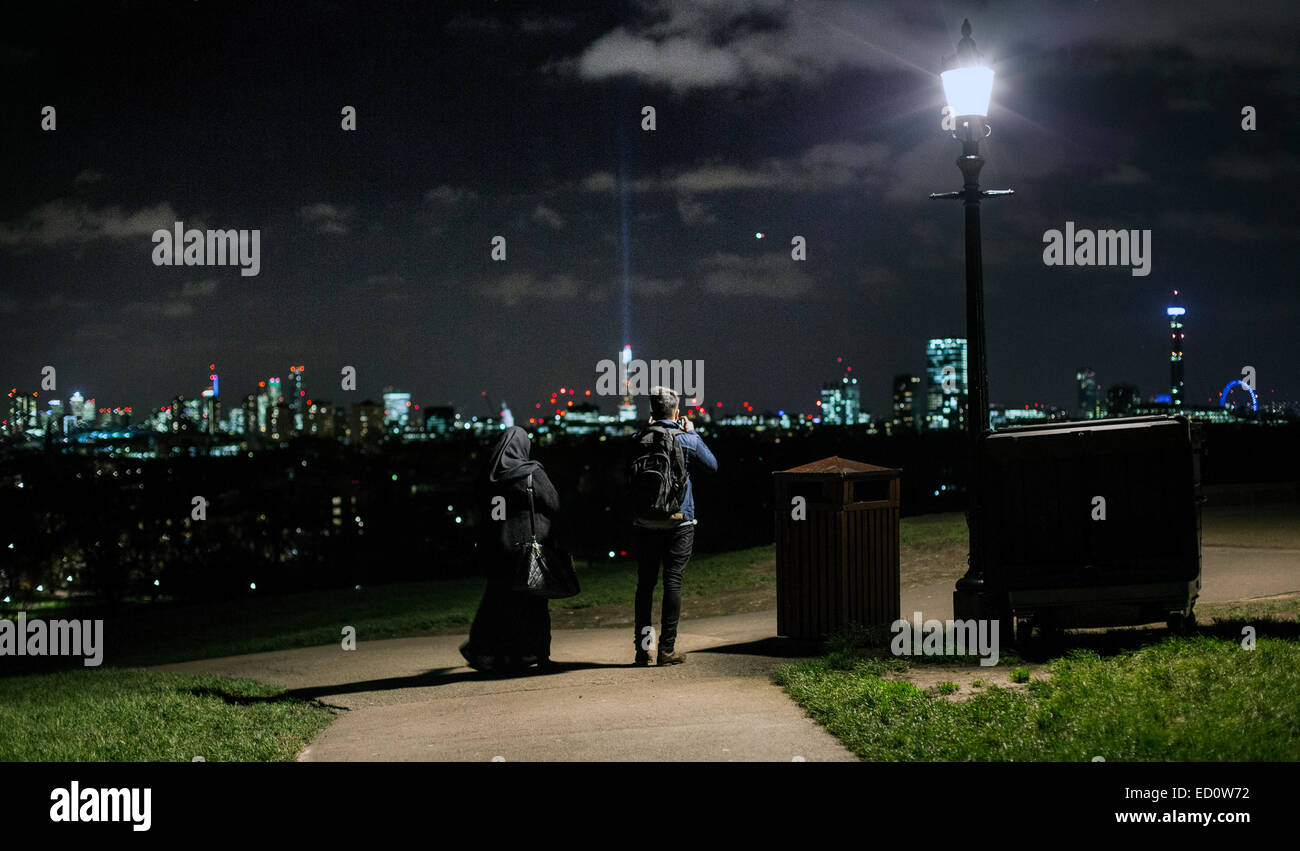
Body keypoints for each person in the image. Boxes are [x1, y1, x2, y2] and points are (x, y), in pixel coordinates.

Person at [630, 387, 717, 666]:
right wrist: (692, 433)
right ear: (676, 413)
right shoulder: (686, 439)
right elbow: (712, 466)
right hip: (679, 521)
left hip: (645, 522)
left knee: (645, 586)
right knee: (673, 582)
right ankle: (667, 649)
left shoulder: (639, 438)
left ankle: (643, 650)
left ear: (652, 412)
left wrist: (646, 431)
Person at [459, 426, 558, 673]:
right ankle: (538, 654)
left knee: (501, 601)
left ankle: (498, 652)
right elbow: (553, 503)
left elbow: (488, 514)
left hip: (499, 548)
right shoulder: (531, 472)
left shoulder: (490, 479)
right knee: (535, 601)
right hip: (529, 545)